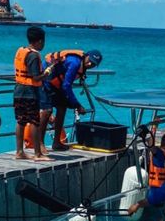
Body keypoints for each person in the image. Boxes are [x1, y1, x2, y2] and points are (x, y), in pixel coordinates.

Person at [40, 49, 102, 150]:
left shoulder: (82, 65)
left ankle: (56, 142)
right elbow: (66, 86)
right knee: (47, 111)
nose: (90, 64)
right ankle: (40, 143)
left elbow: (65, 84)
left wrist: (74, 104)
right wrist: (77, 105)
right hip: (46, 80)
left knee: (62, 107)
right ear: (86, 56)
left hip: (57, 83)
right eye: (89, 60)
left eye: (93, 64)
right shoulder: (74, 63)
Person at [13, 25, 49, 160]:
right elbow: (36, 77)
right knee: (34, 121)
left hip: (18, 90)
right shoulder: (33, 55)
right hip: (30, 92)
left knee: (21, 120)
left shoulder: (21, 51)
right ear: (39, 41)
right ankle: (37, 154)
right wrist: (46, 73)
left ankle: (19, 152)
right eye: (43, 41)